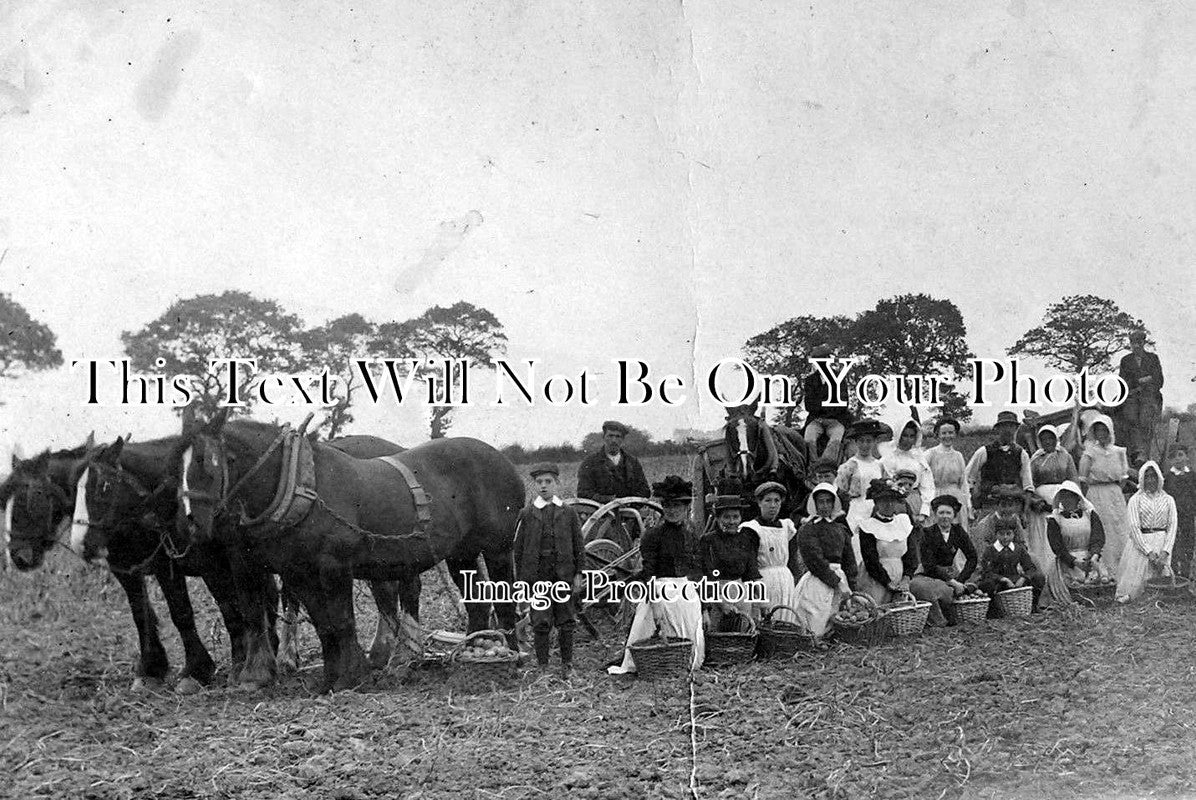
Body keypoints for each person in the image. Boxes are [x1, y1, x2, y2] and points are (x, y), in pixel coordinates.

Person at [608, 476, 705, 675]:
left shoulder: (691, 535)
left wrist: (704, 606)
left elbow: (696, 569)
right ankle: (657, 662)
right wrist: (656, 603)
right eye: (667, 505)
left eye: (677, 505)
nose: (672, 510)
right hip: (661, 591)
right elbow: (649, 572)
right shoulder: (653, 535)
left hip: (686, 593)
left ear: (686, 507)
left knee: (691, 656)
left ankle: (682, 659)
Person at [513, 463, 585, 677]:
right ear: (534, 485)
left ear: (557, 483)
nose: (544, 486)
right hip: (538, 576)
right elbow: (519, 550)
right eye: (539, 482)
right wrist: (523, 582)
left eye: (548, 482)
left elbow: (578, 545)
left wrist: (579, 573)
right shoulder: (527, 514)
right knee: (541, 620)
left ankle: (566, 665)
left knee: (566, 619)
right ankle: (543, 665)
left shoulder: (568, 513)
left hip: (563, 574)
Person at [1024, 424, 1079, 609]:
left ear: (1056, 439)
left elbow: (1073, 480)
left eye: (1051, 438)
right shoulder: (1036, 459)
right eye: (1044, 439)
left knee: (1062, 539)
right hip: (1041, 507)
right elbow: (1029, 484)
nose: (1048, 442)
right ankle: (1045, 587)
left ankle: (1067, 587)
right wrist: (1036, 501)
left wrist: (1070, 500)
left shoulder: (1065, 456)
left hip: (1062, 500)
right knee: (1044, 545)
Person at [793, 483, 857, 638]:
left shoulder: (840, 529)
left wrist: (851, 586)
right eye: (821, 502)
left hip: (840, 578)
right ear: (814, 504)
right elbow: (815, 561)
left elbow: (849, 560)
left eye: (829, 501)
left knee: (838, 618)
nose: (825, 506)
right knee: (816, 617)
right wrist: (837, 582)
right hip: (818, 580)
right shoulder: (808, 529)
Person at [912, 495, 979, 627]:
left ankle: (958, 596)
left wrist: (960, 580)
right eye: (941, 512)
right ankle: (939, 620)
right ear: (935, 515)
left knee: (954, 589)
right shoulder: (927, 533)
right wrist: (953, 582)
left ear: (954, 515)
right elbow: (929, 565)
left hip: (951, 576)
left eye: (948, 513)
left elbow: (972, 557)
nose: (945, 516)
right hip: (928, 575)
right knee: (921, 587)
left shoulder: (958, 531)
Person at [1115, 461, 1177, 603]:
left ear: (1159, 478)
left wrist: (1165, 552)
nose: (1151, 480)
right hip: (1141, 544)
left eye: (1154, 476)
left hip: (1161, 542)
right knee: (1136, 588)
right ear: (1142, 479)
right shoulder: (1135, 500)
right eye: (1147, 477)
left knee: (1161, 584)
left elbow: (1172, 527)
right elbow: (1134, 528)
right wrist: (1149, 552)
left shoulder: (1168, 500)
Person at [741, 482, 802, 623]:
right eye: (768, 500)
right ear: (759, 502)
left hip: (785, 581)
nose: (773, 505)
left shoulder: (786, 526)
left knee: (786, 619)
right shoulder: (752, 529)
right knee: (766, 621)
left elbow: (792, 559)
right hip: (763, 581)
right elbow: (750, 566)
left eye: (777, 501)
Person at [700, 494, 762, 631]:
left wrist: (757, 603)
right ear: (718, 518)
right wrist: (721, 601)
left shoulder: (746, 539)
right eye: (726, 517)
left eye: (735, 517)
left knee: (743, 635)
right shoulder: (709, 541)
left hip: (741, 592)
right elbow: (706, 573)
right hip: (717, 593)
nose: (732, 521)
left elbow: (751, 572)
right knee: (718, 636)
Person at [1078, 414, 1130, 571]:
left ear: (1110, 431)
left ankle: (1121, 568)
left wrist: (1113, 491)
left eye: (1104, 430)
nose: (1101, 433)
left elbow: (1123, 478)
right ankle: (1101, 568)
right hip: (1096, 493)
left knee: (1118, 529)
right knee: (1100, 529)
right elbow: (1083, 479)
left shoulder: (1119, 451)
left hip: (1114, 494)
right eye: (1098, 430)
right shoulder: (1089, 453)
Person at [855, 479, 919, 606]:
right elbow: (870, 559)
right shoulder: (868, 527)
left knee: (898, 612)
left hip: (900, 575)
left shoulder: (903, 522)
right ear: (876, 503)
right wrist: (887, 582)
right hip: (876, 578)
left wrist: (906, 578)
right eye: (884, 500)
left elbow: (911, 554)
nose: (888, 504)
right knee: (877, 609)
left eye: (892, 500)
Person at [966, 411, 1033, 515]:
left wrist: (1024, 512)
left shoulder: (1022, 454)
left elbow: (1028, 485)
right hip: (990, 506)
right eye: (1004, 426)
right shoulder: (984, 451)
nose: (1008, 430)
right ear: (997, 429)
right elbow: (968, 478)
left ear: (1016, 429)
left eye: (1011, 426)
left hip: (1014, 507)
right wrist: (974, 501)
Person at [1046, 480, 1109, 585]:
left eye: (1070, 496)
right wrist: (1075, 562)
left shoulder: (1090, 515)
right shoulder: (1055, 519)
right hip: (1067, 562)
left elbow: (1098, 537)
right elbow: (1057, 546)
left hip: (1091, 559)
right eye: (1063, 497)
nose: (1067, 500)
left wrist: (1094, 556)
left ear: (1077, 497)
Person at [978, 517, 1045, 613]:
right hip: (998, 582)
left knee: (1039, 577)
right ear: (996, 535)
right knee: (987, 584)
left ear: (1013, 534)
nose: (1005, 537)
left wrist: (1023, 578)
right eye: (1001, 534)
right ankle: (994, 610)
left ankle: (1032, 605)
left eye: (1008, 534)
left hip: (1015, 581)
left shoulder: (1018, 549)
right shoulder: (990, 550)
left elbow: (1030, 567)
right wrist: (1003, 579)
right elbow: (986, 571)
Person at [837, 419, 890, 537]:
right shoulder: (849, 466)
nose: (865, 445)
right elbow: (841, 491)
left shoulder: (880, 465)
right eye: (861, 441)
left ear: (875, 442)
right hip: (856, 510)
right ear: (856, 442)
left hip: (876, 510)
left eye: (869, 441)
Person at [576, 420, 651, 504]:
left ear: (622, 439)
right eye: (610, 436)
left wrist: (629, 503)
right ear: (604, 437)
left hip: (631, 511)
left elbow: (645, 491)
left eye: (618, 436)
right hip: (601, 512)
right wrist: (609, 500)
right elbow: (583, 493)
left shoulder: (633, 462)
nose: (614, 440)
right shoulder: (590, 462)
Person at [1118, 331, 1164, 464]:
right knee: (1131, 417)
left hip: (1150, 395)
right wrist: (1142, 380)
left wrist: (1145, 382)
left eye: (1139, 342)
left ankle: (1143, 452)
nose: (1136, 346)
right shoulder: (1126, 361)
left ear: (1143, 343)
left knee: (1145, 418)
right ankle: (1136, 451)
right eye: (1133, 343)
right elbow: (1123, 382)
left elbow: (1159, 380)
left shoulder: (1153, 358)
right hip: (1132, 396)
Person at [802, 343, 854, 463]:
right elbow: (809, 405)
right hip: (816, 420)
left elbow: (843, 403)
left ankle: (828, 465)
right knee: (808, 439)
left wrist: (822, 407)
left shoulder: (839, 377)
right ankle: (813, 466)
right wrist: (828, 405)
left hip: (835, 421)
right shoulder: (810, 380)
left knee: (836, 440)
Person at [881, 417, 935, 526]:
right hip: (893, 500)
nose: (908, 440)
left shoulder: (918, 458)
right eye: (904, 435)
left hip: (914, 500)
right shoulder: (888, 458)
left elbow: (927, 485)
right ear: (898, 435)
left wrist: (924, 511)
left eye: (911, 436)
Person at [924, 418, 973, 532]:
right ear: (938, 435)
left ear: (955, 434)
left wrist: (968, 505)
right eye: (944, 433)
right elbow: (923, 479)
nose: (947, 436)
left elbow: (964, 483)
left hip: (956, 498)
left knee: (956, 534)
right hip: (936, 497)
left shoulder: (958, 456)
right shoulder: (930, 454)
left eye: (951, 432)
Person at [1165, 446, 1196, 579]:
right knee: (1175, 543)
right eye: (1173, 457)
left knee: (1189, 542)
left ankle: (1187, 572)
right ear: (1170, 461)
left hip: (1189, 515)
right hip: (1174, 516)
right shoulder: (1168, 478)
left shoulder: (1192, 475)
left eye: (1180, 455)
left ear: (1186, 457)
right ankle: (1175, 573)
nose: (1178, 459)